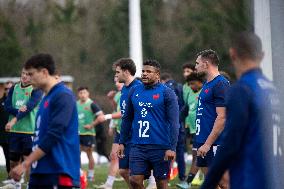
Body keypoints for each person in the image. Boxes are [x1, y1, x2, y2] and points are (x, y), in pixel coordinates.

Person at [201, 32, 281, 189]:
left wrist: (208, 183)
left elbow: (230, 142)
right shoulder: (273, 90)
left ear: (232, 54)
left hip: (251, 179)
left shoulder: (242, 90)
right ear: (262, 55)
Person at [10, 53, 80, 189]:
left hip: (58, 171)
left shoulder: (63, 95)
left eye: (31, 74)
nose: (28, 78)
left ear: (44, 72)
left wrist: (25, 163)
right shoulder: (45, 98)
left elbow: (54, 135)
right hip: (40, 171)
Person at [118, 59, 180, 189]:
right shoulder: (134, 91)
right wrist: (122, 142)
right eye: (143, 71)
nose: (144, 74)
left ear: (157, 75)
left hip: (161, 146)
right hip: (138, 145)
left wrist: (172, 147)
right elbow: (127, 118)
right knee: (134, 180)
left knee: (161, 183)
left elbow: (174, 122)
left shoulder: (167, 92)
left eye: (148, 71)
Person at [98, 58, 142, 188]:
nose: (115, 76)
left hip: (138, 136)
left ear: (126, 72)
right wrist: (121, 140)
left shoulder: (139, 88)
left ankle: (152, 181)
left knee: (136, 175)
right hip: (126, 135)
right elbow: (124, 115)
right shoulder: (123, 91)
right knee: (123, 171)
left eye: (117, 72)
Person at [193, 49, 230, 188]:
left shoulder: (220, 83)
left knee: (224, 182)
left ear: (206, 64)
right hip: (202, 141)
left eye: (197, 63)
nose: (195, 66)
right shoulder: (207, 84)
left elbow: (222, 116)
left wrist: (208, 144)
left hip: (215, 143)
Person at [4, 68, 43, 188]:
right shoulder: (14, 88)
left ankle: (30, 184)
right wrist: (18, 111)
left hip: (29, 131)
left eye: (28, 74)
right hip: (15, 130)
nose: (25, 76)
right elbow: (7, 106)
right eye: (23, 73)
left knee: (28, 161)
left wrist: (18, 115)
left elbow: (29, 107)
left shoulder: (36, 90)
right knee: (13, 161)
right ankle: (16, 184)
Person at [176, 72, 204, 189]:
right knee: (196, 157)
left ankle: (188, 182)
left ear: (200, 82)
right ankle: (188, 182)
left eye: (193, 83)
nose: (191, 86)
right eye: (189, 84)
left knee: (199, 157)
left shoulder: (206, 92)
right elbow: (186, 110)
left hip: (204, 131)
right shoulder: (191, 94)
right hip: (193, 130)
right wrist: (176, 122)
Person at [160, 73, 186, 185]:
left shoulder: (166, 88)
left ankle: (166, 175)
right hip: (180, 124)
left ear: (162, 80)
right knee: (180, 152)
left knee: (167, 151)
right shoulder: (181, 87)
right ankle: (182, 177)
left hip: (169, 124)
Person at [97, 77, 124, 189]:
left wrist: (106, 117)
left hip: (132, 131)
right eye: (115, 82)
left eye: (119, 81)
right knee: (113, 156)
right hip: (120, 130)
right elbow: (116, 109)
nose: (117, 84)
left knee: (142, 157)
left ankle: (153, 182)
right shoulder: (118, 94)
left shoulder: (130, 93)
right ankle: (109, 184)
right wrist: (111, 99)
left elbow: (123, 112)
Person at [77, 86, 104, 182]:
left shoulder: (92, 104)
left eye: (84, 93)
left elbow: (101, 116)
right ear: (78, 94)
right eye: (80, 93)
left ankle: (91, 175)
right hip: (78, 133)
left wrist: (92, 125)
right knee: (77, 154)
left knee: (89, 154)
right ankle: (79, 174)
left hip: (89, 133)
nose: (82, 95)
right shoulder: (76, 104)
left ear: (88, 94)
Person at [0, 81, 14, 177]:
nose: (8, 90)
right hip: (2, 135)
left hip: (14, 134)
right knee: (6, 156)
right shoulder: (1, 102)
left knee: (13, 157)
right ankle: (10, 177)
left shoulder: (17, 102)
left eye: (10, 88)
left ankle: (14, 178)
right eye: (6, 89)